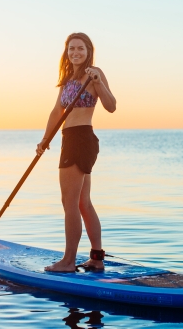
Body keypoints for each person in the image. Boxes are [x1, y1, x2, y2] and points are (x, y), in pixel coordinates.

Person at [37, 33, 116, 272]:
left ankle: (68, 261)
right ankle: (97, 258)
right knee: (83, 203)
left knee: (69, 202)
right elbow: (56, 112)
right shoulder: (68, 79)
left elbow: (111, 106)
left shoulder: (94, 74)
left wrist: (98, 82)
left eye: (80, 48)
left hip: (81, 139)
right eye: (71, 48)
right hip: (69, 139)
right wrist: (45, 140)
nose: (75, 52)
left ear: (89, 50)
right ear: (67, 52)